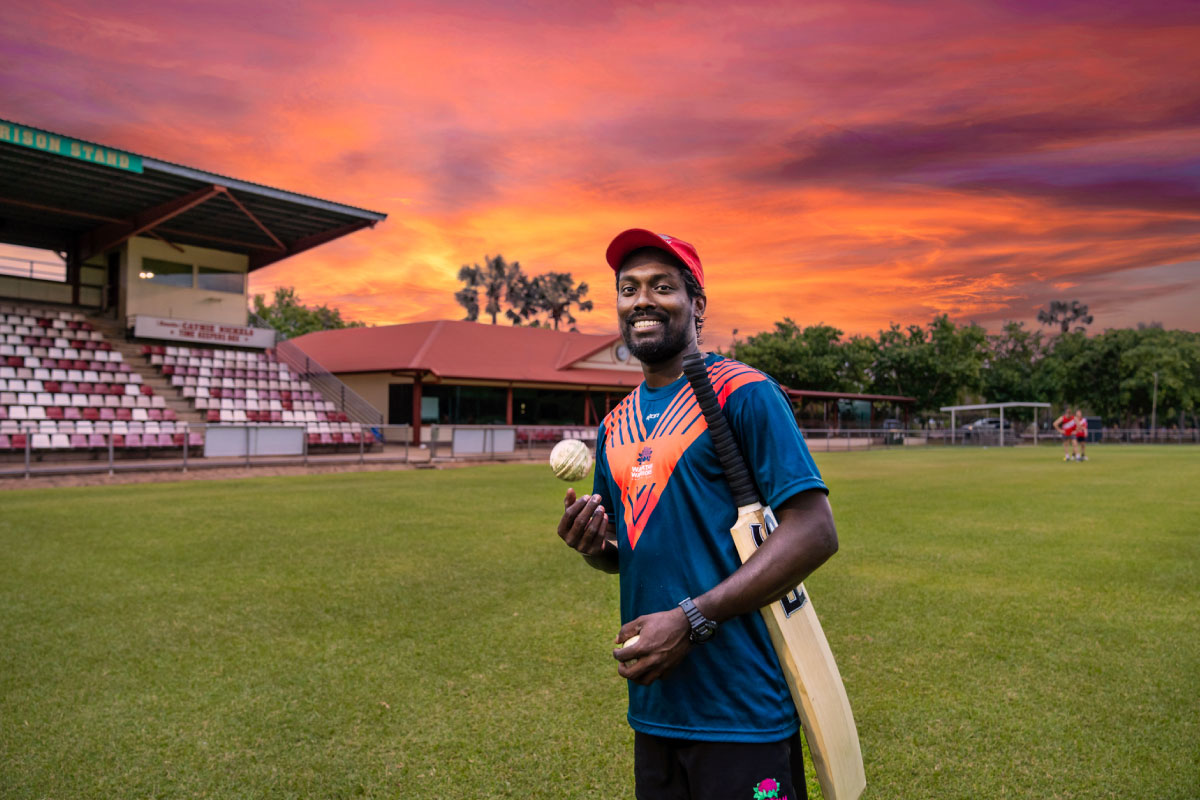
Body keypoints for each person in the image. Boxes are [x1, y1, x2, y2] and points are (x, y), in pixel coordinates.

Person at [555, 229, 839, 800]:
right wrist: (595, 547)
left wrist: (691, 619)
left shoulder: (743, 392)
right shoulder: (615, 424)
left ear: (697, 305)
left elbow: (814, 531)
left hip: (743, 708)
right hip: (657, 703)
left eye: (662, 286)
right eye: (628, 288)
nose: (642, 301)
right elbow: (630, 551)